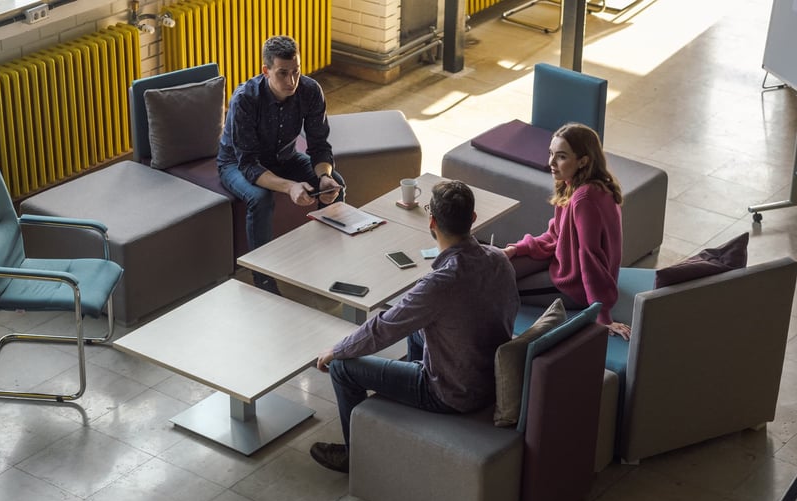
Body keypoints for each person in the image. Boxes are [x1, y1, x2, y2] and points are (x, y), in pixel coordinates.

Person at [310, 181, 520, 473]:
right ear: (472, 219)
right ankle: (400, 408)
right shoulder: (498, 259)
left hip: (452, 393)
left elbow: (382, 329)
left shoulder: (439, 284)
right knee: (415, 326)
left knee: (343, 368)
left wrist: (336, 350)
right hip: (488, 377)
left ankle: (355, 455)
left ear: (431, 221)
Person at [217, 35, 344, 293]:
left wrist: (323, 176)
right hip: (237, 163)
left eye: (296, 72)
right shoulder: (245, 99)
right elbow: (249, 165)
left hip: (284, 157)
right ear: (266, 71)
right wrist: (290, 187)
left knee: (336, 185)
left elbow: (319, 146)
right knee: (260, 198)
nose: (291, 81)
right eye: (283, 73)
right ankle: (263, 280)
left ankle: (328, 263)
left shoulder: (310, 90)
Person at [503, 122, 631, 340]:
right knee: (500, 266)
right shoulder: (574, 184)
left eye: (561, 157)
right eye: (551, 153)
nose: (551, 162)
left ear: (583, 161)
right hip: (563, 262)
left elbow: (590, 257)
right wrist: (517, 249)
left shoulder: (585, 199)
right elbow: (555, 236)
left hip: (576, 286)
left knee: (500, 285)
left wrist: (602, 314)